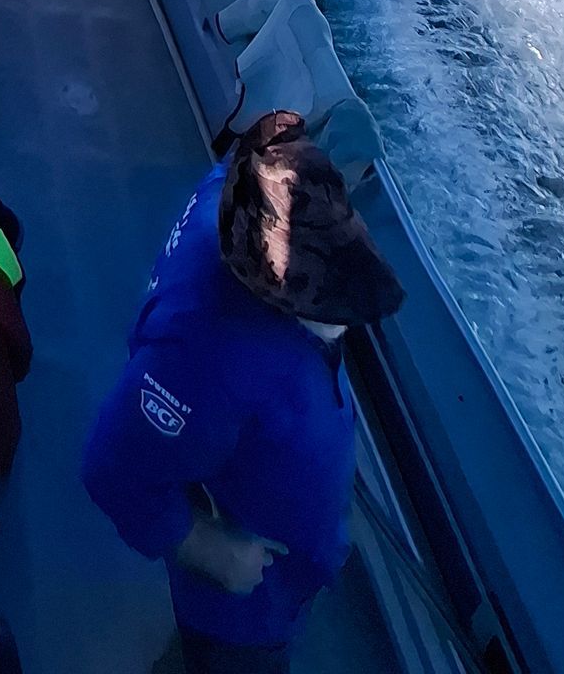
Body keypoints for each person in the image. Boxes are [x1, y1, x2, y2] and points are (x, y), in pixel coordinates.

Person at [81, 111, 405, 674]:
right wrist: (214, 552)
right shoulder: (208, 352)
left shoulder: (244, 182)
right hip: (245, 605)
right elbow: (113, 466)